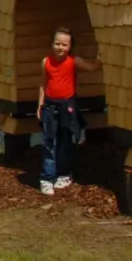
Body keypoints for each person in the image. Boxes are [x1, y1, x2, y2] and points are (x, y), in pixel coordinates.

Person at [37, 27, 98, 195]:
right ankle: (47, 178)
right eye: (57, 44)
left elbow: (92, 67)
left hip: (67, 106)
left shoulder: (74, 61)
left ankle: (64, 175)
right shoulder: (46, 62)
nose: (60, 47)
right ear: (52, 44)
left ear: (70, 47)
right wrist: (40, 105)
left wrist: (101, 56)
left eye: (64, 44)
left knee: (65, 142)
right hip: (50, 106)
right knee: (49, 142)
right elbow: (43, 84)